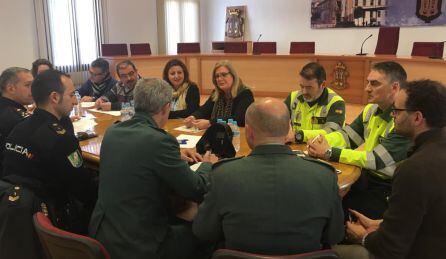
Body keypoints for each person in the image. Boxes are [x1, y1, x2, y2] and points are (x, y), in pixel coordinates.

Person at [193, 98, 344, 255]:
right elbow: (335, 235)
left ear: (249, 132)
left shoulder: (222, 174)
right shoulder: (324, 175)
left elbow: (203, 232)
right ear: (288, 130)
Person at [89, 78, 218, 259]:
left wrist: (174, 156)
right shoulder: (160, 141)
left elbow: (137, 155)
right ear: (166, 108)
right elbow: (196, 189)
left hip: (102, 236)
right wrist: (206, 165)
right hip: (139, 247)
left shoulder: (113, 132)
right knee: (209, 233)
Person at [334, 80, 446, 259]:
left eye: (397, 110)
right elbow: (424, 217)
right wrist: (381, 224)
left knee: (331, 251)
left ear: (417, 118)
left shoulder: (414, 169)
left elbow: (391, 249)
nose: (392, 115)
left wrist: (362, 237)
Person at [0, 70, 97, 259]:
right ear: (54, 97)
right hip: (52, 216)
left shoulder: (19, 128)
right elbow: (84, 191)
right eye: (71, 95)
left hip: (18, 212)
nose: (75, 101)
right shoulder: (60, 139)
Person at [307, 61, 411, 219]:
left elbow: (375, 159)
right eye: (368, 82)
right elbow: (348, 137)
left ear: (395, 87)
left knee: (340, 212)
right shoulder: (371, 109)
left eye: (374, 84)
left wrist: (329, 152)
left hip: (390, 187)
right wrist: (320, 140)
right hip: (367, 175)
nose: (367, 88)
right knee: (326, 198)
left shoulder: (404, 119)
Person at [284, 62, 345, 143]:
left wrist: (299, 135)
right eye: (301, 86)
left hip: (322, 152)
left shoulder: (336, 103)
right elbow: (278, 119)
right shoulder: (293, 97)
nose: (304, 92)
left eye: (309, 87)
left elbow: (331, 131)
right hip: (295, 149)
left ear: (323, 84)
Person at [184, 60, 254, 129]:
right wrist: (193, 117)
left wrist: (210, 123)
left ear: (233, 75)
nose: (220, 79)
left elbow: (238, 120)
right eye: (217, 76)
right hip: (218, 133)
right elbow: (205, 109)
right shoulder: (216, 93)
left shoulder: (245, 94)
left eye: (224, 75)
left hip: (239, 136)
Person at [0, 67, 34, 175]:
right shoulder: (15, 117)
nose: (33, 89)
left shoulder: (5, 107)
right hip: (13, 179)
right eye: (28, 85)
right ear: (11, 89)